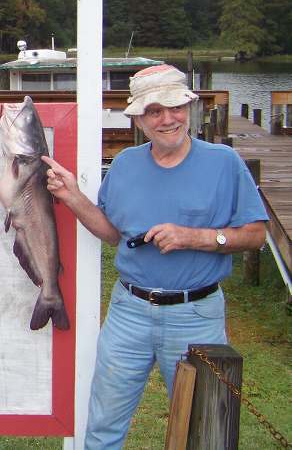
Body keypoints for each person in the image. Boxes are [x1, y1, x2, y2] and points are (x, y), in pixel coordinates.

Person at [42, 64, 267, 449]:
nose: (167, 119)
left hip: (196, 315)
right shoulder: (127, 163)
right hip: (129, 313)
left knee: (206, 429)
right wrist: (72, 196)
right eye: (154, 111)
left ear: (189, 109)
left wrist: (195, 237)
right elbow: (113, 233)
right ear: (139, 119)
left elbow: (255, 234)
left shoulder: (224, 163)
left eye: (175, 108)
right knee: (102, 428)